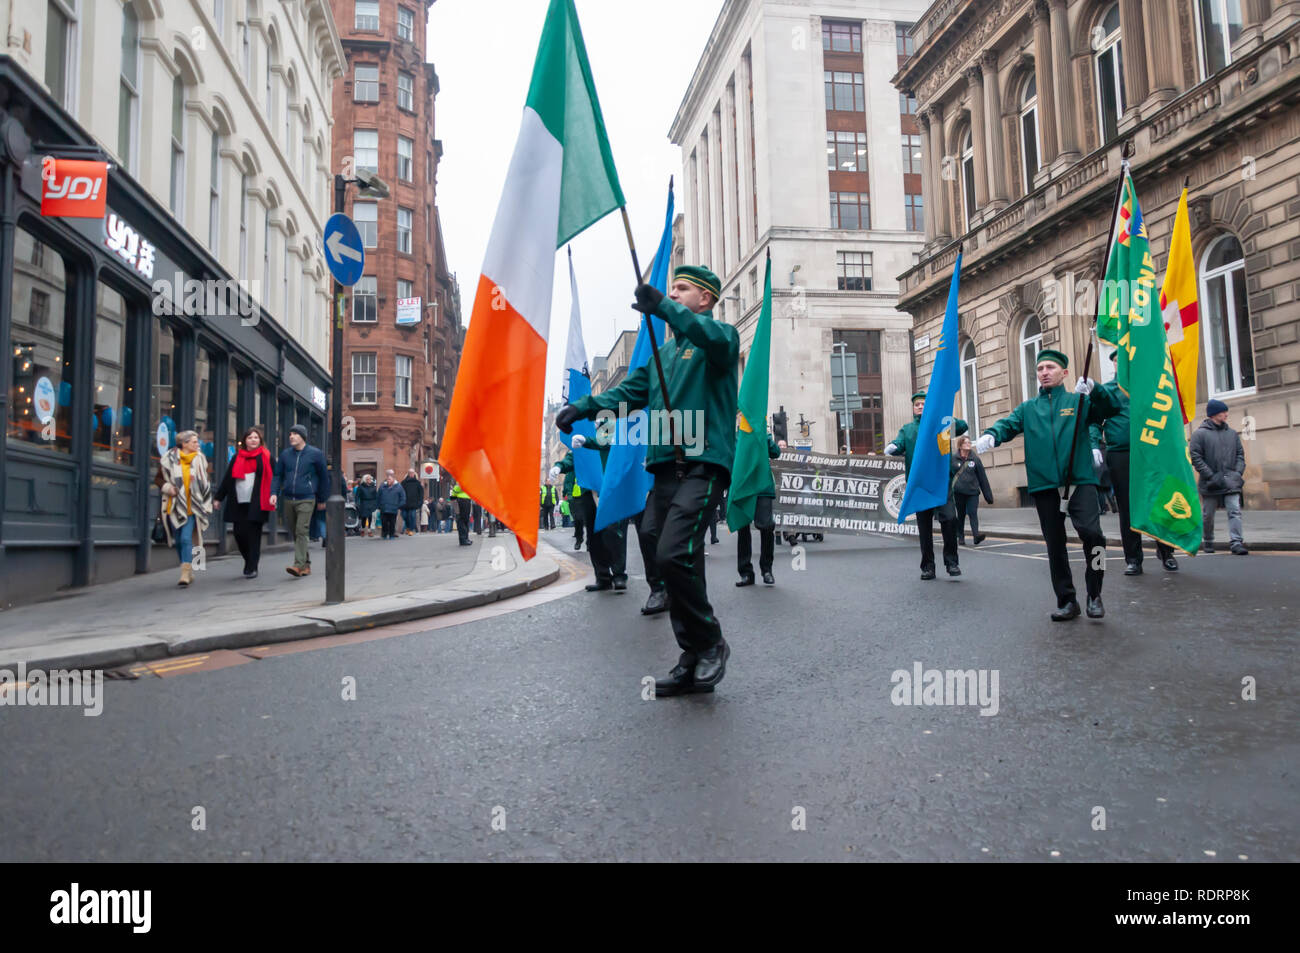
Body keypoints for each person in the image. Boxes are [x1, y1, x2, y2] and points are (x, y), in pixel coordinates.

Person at [557, 265, 740, 696]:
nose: (673, 293)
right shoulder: (663, 355)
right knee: (667, 556)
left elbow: (707, 336)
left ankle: (712, 642)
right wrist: (581, 407)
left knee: (676, 551)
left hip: (703, 464)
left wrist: (664, 307)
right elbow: (623, 395)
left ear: (706, 300)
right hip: (664, 469)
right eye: (671, 288)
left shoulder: (720, 338)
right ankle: (691, 656)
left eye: (682, 289)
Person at [975, 349, 1121, 621]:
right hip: (1045, 485)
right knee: (1055, 544)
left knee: (1095, 537)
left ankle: (1095, 593)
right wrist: (992, 435)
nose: (1044, 372)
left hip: (1079, 481)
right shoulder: (1028, 409)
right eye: (1040, 368)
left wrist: (1095, 390)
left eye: (1050, 367)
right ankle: (1067, 600)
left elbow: (1111, 408)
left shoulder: (1078, 401)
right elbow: (1008, 424)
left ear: (1064, 373)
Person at [1089, 352, 1178, 574]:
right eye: (1119, 360)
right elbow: (1094, 421)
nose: (1123, 363)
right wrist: (1093, 444)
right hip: (1121, 454)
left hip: (1150, 452)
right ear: (1114, 364)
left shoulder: (1150, 387)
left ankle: (1166, 552)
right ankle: (1133, 559)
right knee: (1127, 507)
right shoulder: (1108, 390)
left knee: (1157, 502)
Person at [886, 391, 967, 579]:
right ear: (913, 409)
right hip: (920, 484)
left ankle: (951, 562)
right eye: (917, 405)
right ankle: (928, 566)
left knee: (949, 519)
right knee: (924, 527)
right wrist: (893, 446)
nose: (920, 407)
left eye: (924, 404)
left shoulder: (941, 426)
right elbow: (899, 444)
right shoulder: (907, 430)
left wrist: (944, 415)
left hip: (940, 482)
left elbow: (963, 427)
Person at [213, 426, 275, 578]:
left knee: (254, 535)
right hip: (238, 502)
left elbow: (276, 477)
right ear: (244, 441)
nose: (253, 440)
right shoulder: (237, 457)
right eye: (250, 438)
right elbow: (228, 479)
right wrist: (218, 497)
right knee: (239, 534)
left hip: (258, 501)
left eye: (256, 437)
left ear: (260, 440)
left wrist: (274, 494)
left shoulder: (266, 456)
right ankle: (248, 560)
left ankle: (252, 566)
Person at [1190, 398, 1249, 555]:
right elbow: (1195, 457)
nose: (1226, 414)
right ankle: (1208, 540)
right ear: (1214, 414)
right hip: (1211, 482)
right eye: (1223, 412)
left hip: (1231, 481)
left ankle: (1236, 542)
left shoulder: (1231, 433)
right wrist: (1211, 475)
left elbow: (1240, 455)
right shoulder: (1199, 434)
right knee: (1208, 515)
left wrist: (1237, 473)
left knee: (1235, 510)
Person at [269, 424, 328, 577]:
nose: (291, 436)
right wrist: (273, 492)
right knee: (296, 532)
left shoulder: (315, 454)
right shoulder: (285, 455)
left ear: (303, 437)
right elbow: (277, 476)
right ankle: (306, 564)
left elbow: (323, 478)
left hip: (307, 498)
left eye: (295, 434)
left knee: (302, 530)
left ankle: (298, 565)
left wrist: (322, 498)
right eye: (290, 434)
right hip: (288, 498)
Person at [155, 430, 213, 587]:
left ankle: (185, 573)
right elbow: (158, 479)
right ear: (184, 443)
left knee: (187, 539)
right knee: (178, 541)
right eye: (194, 441)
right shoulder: (169, 459)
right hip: (174, 505)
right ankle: (187, 567)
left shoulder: (200, 459)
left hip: (192, 507)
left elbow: (204, 482)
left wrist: (206, 502)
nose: (197, 444)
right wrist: (167, 487)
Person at [736, 434, 784, 587]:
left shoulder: (763, 434)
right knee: (742, 528)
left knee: (766, 525)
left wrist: (764, 436)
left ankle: (767, 569)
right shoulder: (737, 437)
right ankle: (746, 573)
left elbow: (776, 452)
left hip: (762, 486)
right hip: (743, 487)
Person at [950, 434, 993, 546]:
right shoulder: (953, 459)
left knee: (973, 513)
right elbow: (948, 476)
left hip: (973, 492)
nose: (968, 444)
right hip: (959, 493)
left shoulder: (975, 459)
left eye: (969, 442)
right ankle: (961, 536)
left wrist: (988, 496)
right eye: (966, 442)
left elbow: (982, 478)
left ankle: (976, 536)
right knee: (961, 514)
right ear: (960, 445)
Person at [377, 471, 405, 540]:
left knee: (392, 522)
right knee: (384, 522)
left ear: (393, 480)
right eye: (387, 479)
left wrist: (399, 505)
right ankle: (384, 534)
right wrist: (378, 505)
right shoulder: (382, 486)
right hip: (384, 507)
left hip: (393, 508)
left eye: (390, 479)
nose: (388, 481)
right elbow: (378, 496)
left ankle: (391, 534)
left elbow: (403, 497)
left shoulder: (399, 487)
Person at [400, 468, 424, 536]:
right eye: (410, 473)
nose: (411, 474)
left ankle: (411, 529)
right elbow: (400, 493)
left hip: (413, 504)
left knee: (412, 516)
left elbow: (421, 494)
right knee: (404, 516)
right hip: (404, 504)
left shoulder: (418, 483)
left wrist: (420, 502)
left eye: (412, 473)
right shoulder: (403, 483)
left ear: (414, 474)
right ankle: (408, 527)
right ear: (408, 474)